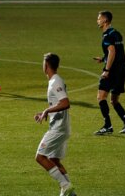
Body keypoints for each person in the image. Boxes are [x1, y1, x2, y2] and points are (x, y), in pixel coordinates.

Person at [34, 53, 75, 196]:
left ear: (46, 66)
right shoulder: (55, 80)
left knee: (40, 157)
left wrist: (46, 110)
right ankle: (70, 193)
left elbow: (65, 103)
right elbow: (58, 104)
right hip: (62, 126)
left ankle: (65, 184)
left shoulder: (55, 81)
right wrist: (45, 112)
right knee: (54, 160)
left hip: (59, 128)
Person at [93, 11, 125, 135]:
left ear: (105, 20)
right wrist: (103, 59)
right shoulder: (116, 33)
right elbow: (118, 53)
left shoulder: (106, 36)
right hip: (122, 69)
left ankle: (108, 126)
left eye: (99, 19)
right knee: (114, 100)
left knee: (100, 97)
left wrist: (106, 70)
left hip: (112, 70)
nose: (97, 21)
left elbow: (112, 52)